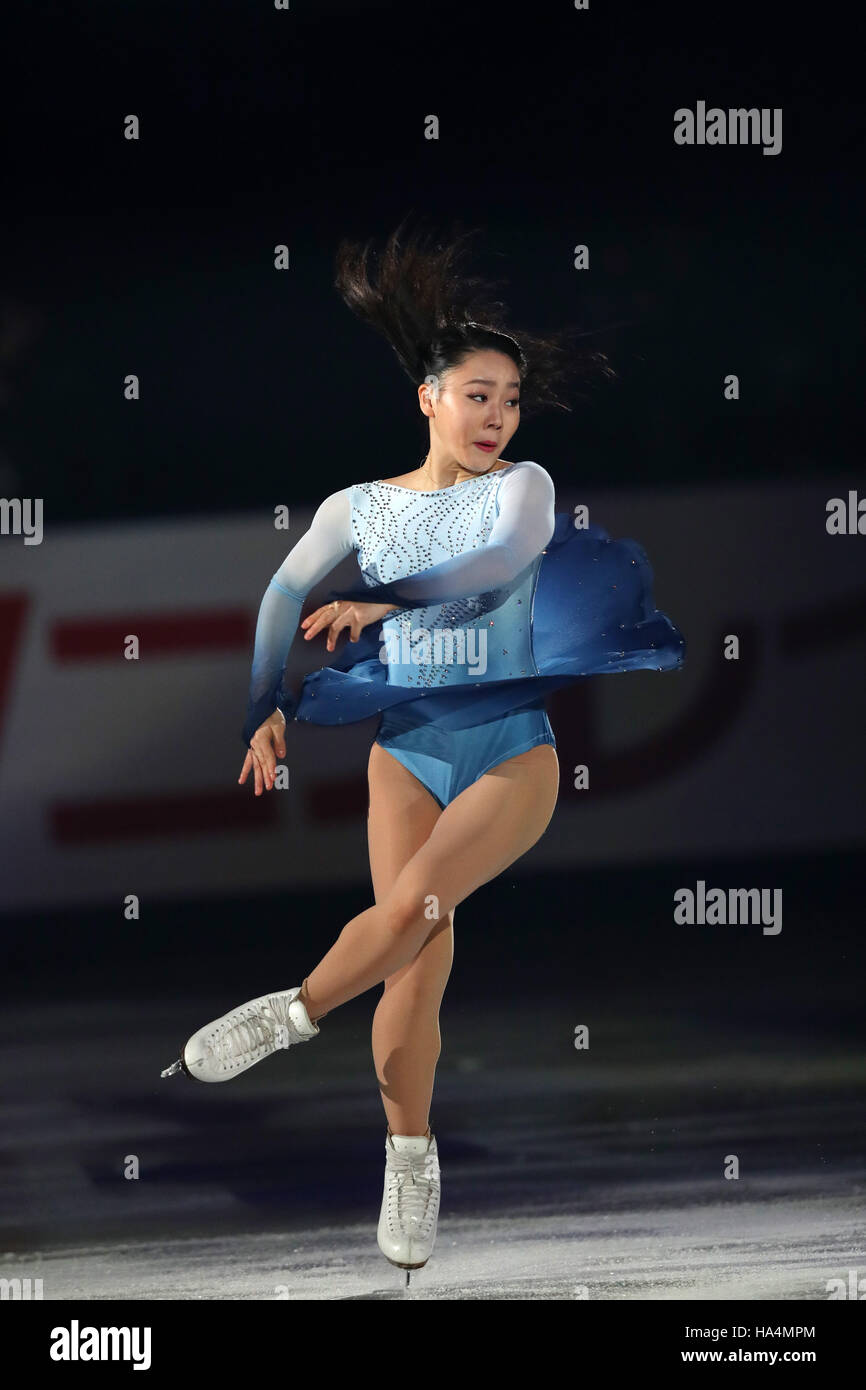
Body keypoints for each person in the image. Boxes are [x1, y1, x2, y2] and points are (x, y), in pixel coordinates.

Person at [161, 220, 686, 1277]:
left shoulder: (523, 488)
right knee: (412, 966)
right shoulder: (358, 507)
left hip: (509, 753)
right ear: (428, 399)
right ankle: (410, 1157)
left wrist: (383, 600)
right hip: (405, 749)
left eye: (510, 399)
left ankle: (289, 1014)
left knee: (411, 912)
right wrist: (263, 705)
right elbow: (281, 592)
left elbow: (494, 563)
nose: (496, 416)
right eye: (476, 395)